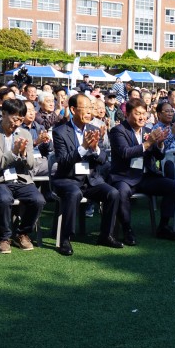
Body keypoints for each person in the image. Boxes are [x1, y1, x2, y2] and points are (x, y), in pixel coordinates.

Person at [52, 94, 121, 253]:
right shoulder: (60, 132)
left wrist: (95, 149)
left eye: (91, 108)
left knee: (113, 193)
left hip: (91, 180)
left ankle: (106, 235)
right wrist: (83, 147)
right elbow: (62, 161)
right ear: (73, 110)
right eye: (86, 108)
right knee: (74, 193)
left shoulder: (94, 129)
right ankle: (65, 239)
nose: (90, 112)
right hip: (67, 179)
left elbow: (103, 159)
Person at [0, 99, 46, 253]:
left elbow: (31, 164)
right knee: (3, 198)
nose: (17, 123)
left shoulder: (25, 134)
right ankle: (4, 237)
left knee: (38, 200)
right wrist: (13, 154)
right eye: (15, 119)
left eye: (21, 120)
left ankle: (22, 233)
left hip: (21, 179)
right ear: (3, 114)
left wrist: (24, 155)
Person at [109, 98, 175, 243]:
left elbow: (159, 156)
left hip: (146, 176)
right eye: (137, 113)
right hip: (125, 176)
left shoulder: (148, 131)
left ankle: (163, 226)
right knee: (121, 192)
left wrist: (159, 144)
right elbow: (125, 153)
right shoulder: (118, 131)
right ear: (127, 114)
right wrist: (148, 143)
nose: (142, 117)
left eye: (144, 113)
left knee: (172, 186)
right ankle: (127, 230)